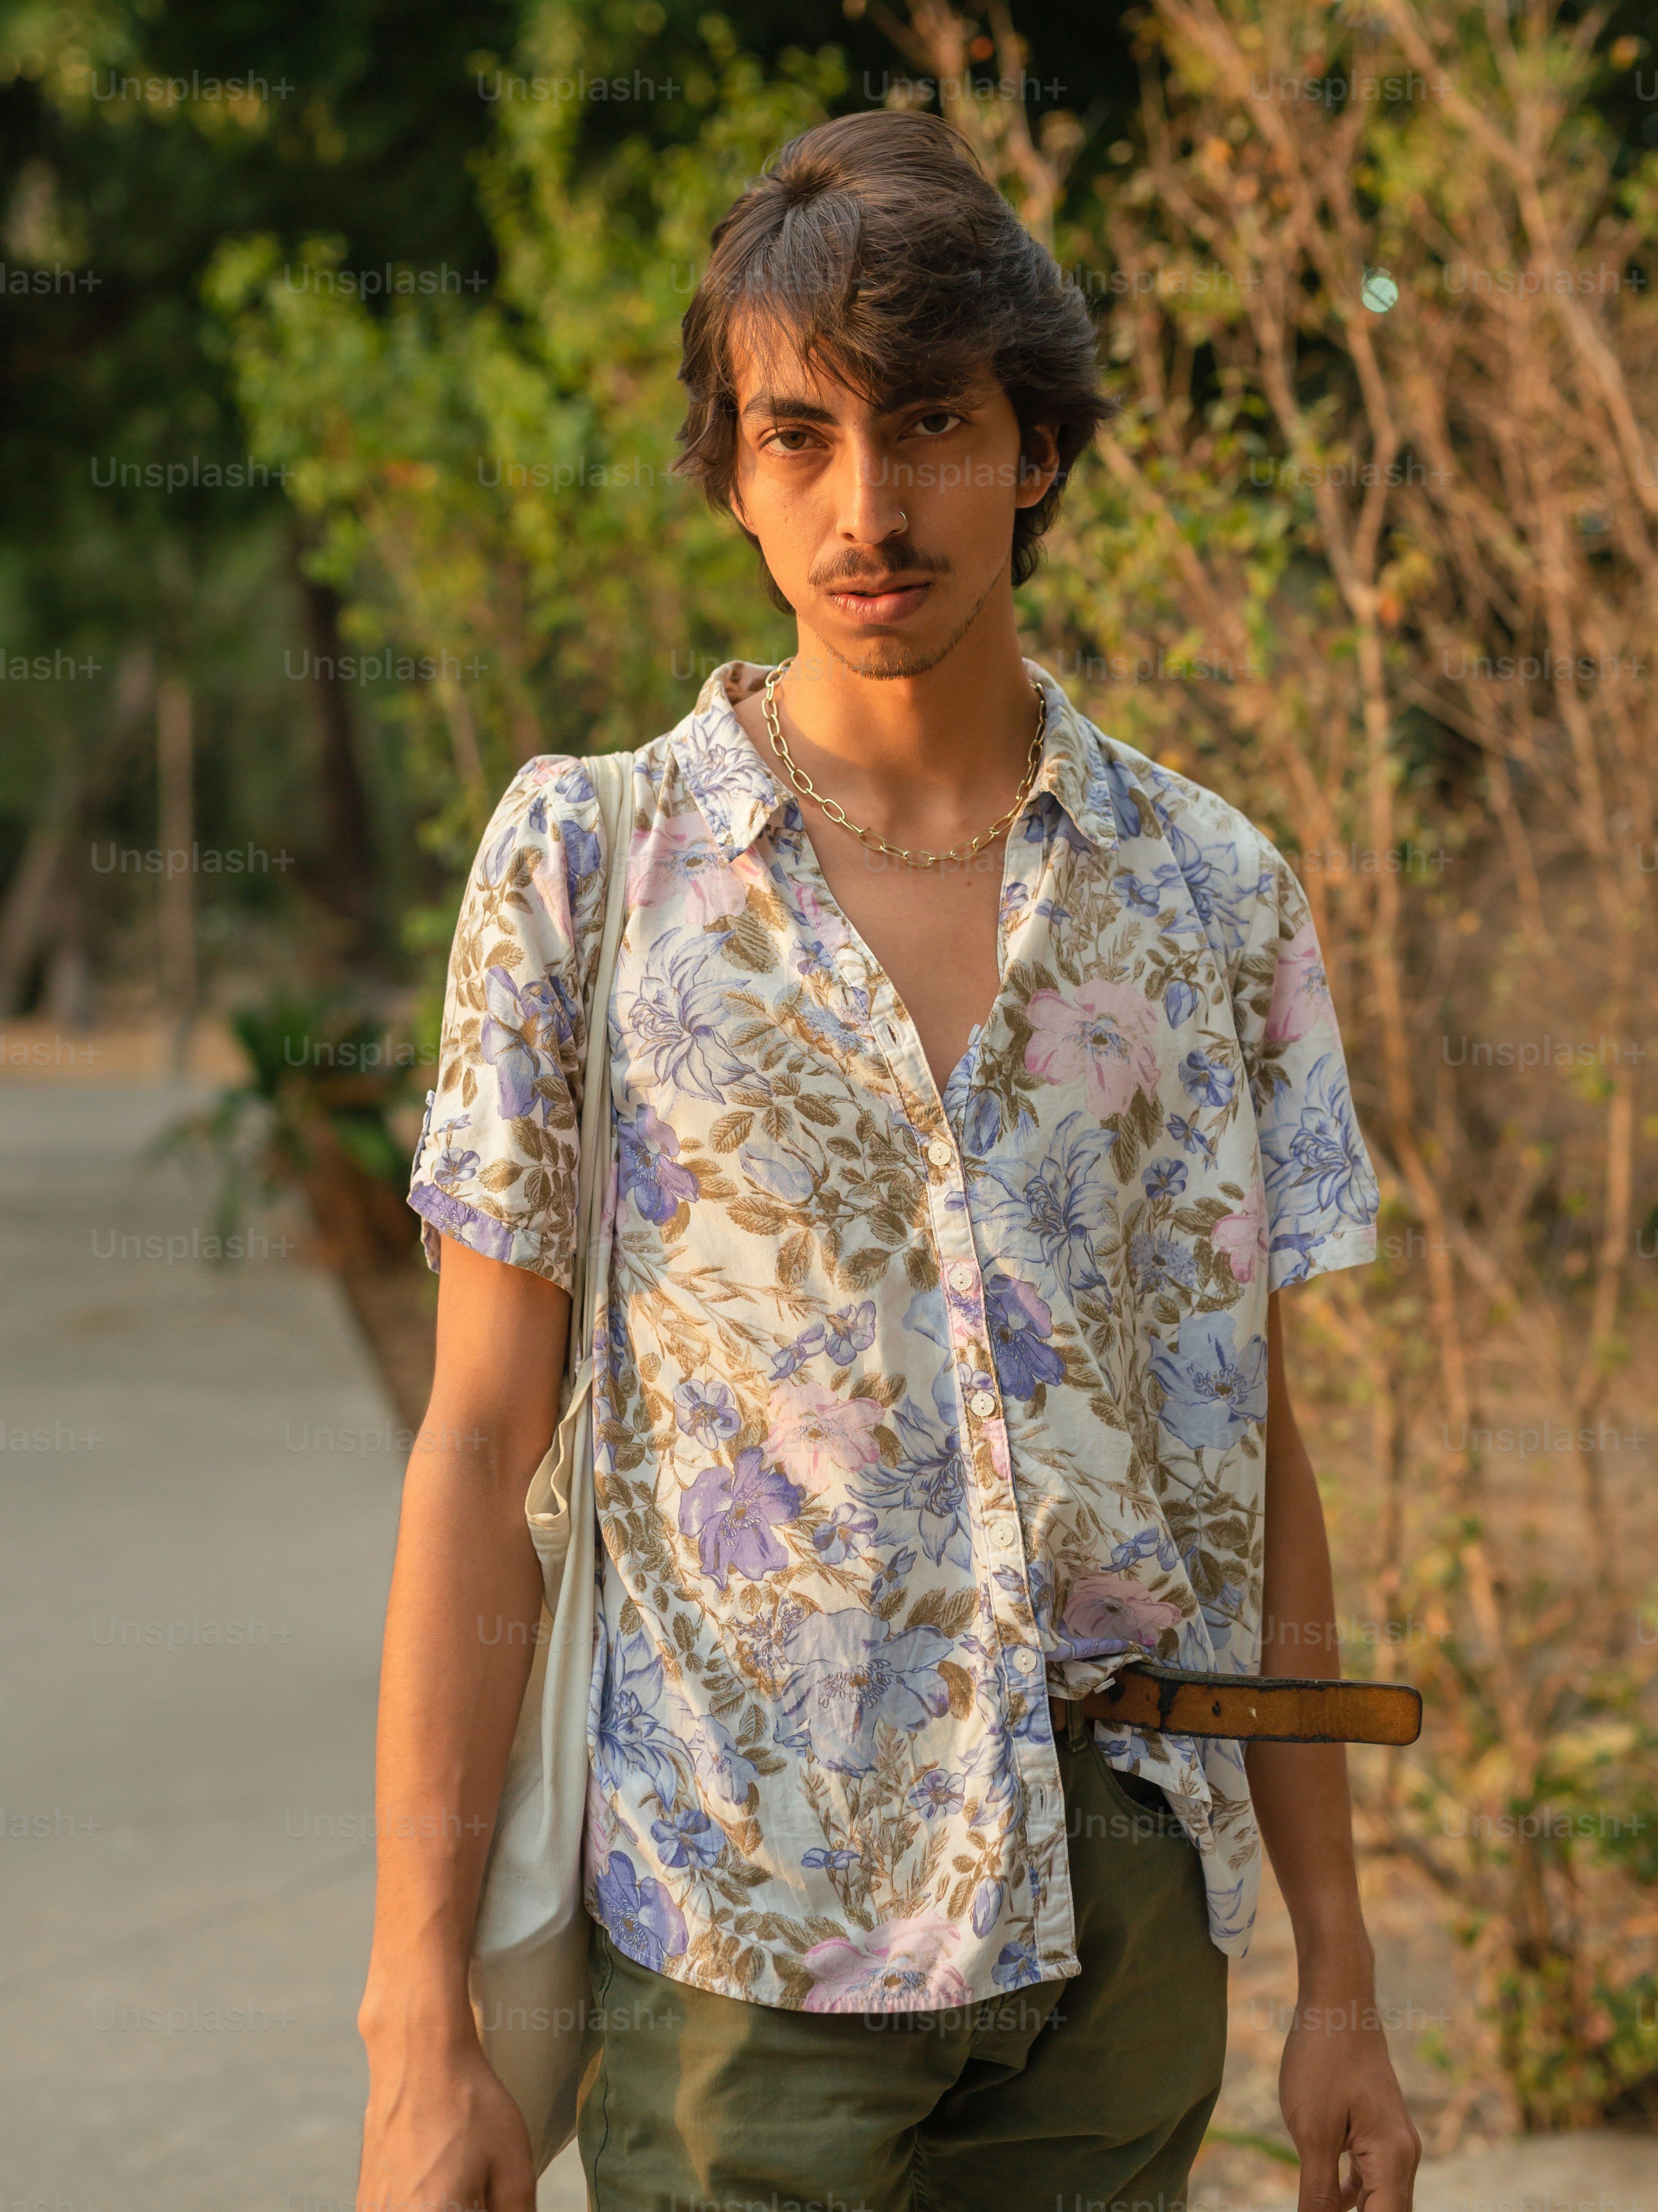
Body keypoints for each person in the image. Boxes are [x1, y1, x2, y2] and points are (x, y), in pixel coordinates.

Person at [355, 110, 1422, 2212]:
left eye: (927, 424)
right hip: (741, 1934)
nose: (867, 506)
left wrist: (1341, 1982)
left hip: (1123, 1924)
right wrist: (418, 2025)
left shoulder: (1210, 891)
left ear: (1032, 444)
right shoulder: (593, 866)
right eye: (796, 436)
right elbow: (481, 1448)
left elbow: (1253, 1449)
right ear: (735, 471)